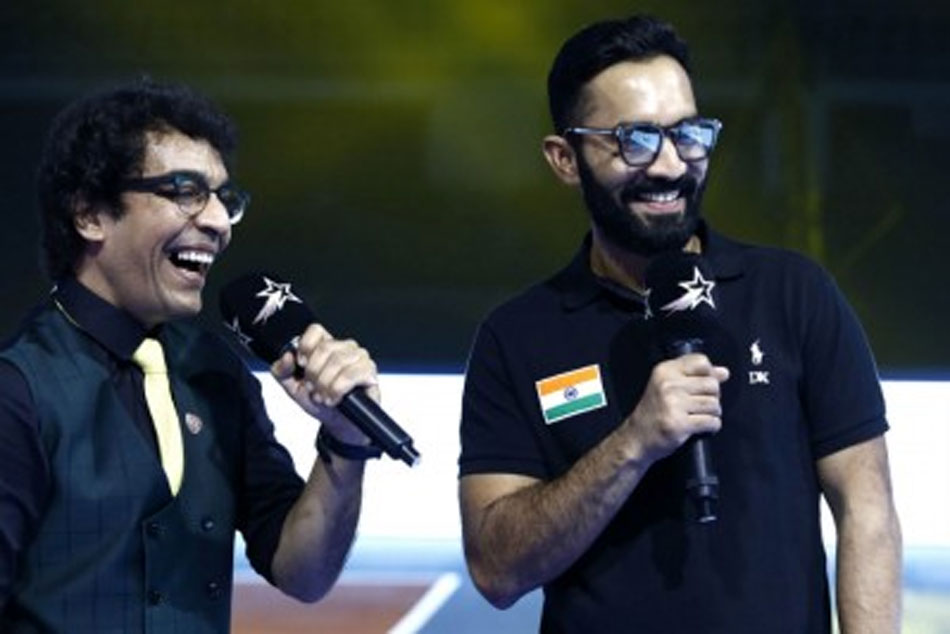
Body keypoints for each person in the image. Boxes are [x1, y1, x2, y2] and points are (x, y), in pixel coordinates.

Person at [458, 14, 902, 634]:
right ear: (565, 159)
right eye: (636, 140)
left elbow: (867, 511)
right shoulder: (517, 336)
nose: (670, 166)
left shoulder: (793, 294)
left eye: (688, 134)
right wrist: (634, 444)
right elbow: (496, 571)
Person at [0, 78, 385, 632]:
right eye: (185, 191)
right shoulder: (19, 389)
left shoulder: (215, 370)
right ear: (90, 215)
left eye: (225, 199)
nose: (218, 221)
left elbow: (302, 573)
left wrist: (346, 445)